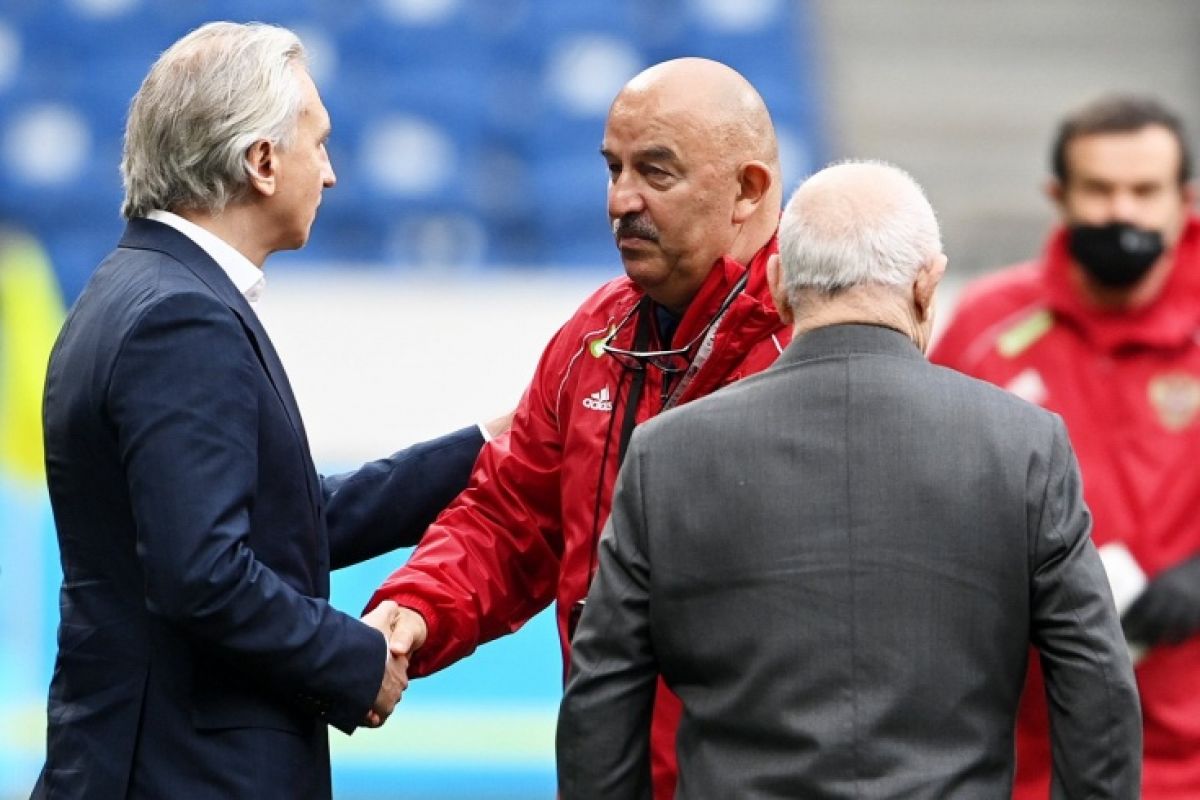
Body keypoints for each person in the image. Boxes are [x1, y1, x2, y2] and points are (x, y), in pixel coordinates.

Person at [556, 160, 1142, 799]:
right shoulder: (1024, 445)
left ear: (780, 287)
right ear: (927, 285)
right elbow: (1097, 685)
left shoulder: (667, 454)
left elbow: (602, 698)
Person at [33, 22, 500, 800]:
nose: (332, 174)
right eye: (319, 143)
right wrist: (353, 660)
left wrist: (484, 449)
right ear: (261, 161)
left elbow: (281, 523)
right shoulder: (179, 318)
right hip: (184, 775)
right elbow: (203, 574)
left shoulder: (134, 289)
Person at [365, 57, 788, 798]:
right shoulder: (595, 335)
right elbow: (510, 518)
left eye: (655, 172)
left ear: (747, 190)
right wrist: (416, 607)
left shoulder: (811, 347)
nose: (621, 200)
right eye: (613, 168)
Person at [932, 94, 1200, 799]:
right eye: (1100, 189)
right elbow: (924, 499)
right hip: (1032, 758)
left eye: (1144, 191)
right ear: (1059, 196)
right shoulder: (987, 327)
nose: (1121, 212)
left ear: (1184, 201)